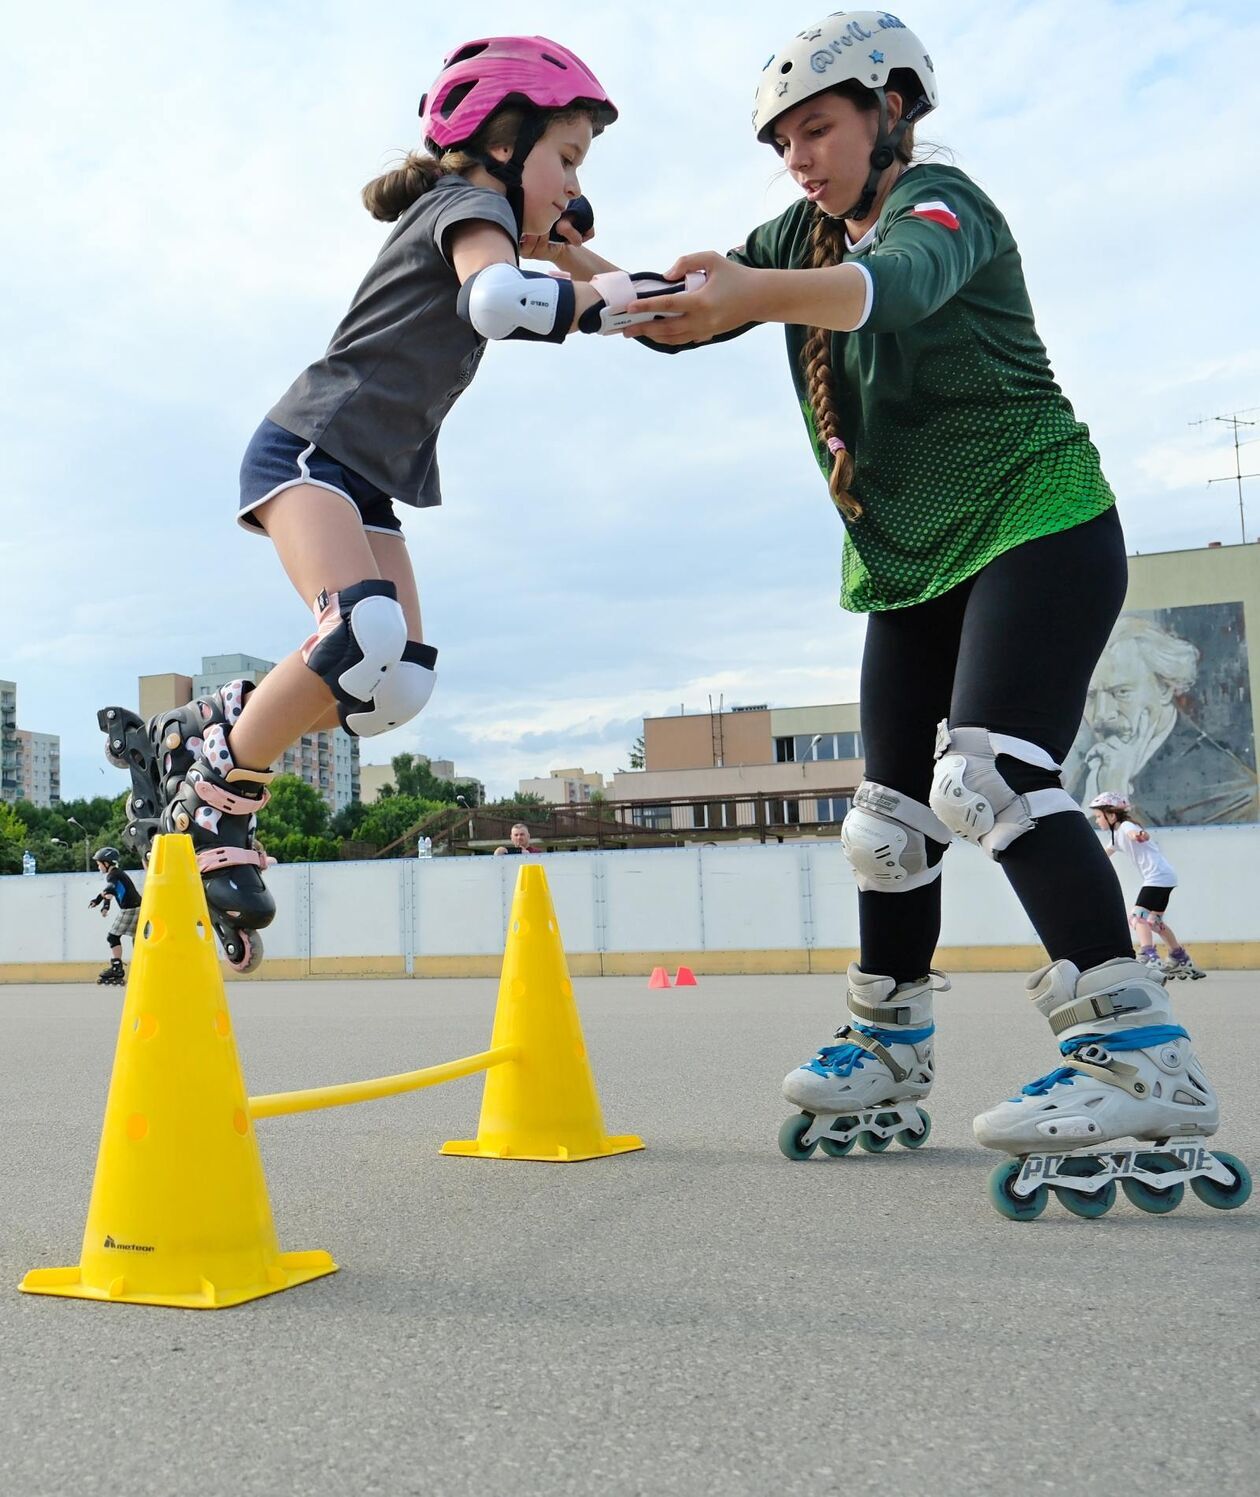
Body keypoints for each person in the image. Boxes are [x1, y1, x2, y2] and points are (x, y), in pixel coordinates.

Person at [552, 11, 1226, 1182]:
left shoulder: (945, 204)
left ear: (892, 110)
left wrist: (753, 286)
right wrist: (561, 255)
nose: (800, 158)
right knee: (886, 824)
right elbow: (676, 310)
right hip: (908, 563)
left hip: (1036, 519)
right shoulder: (800, 230)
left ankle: (1139, 1051)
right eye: (782, 143)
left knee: (989, 774)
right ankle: (890, 1038)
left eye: (819, 128)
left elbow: (888, 292)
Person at [108, 36, 683, 972]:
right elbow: (498, 301)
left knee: (397, 684)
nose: (574, 186)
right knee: (362, 629)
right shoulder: (465, 207)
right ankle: (221, 790)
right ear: (503, 140)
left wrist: (665, 296)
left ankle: (218, 722)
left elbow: (592, 284)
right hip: (307, 450)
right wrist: (606, 299)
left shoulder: (501, 214)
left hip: (367, 480)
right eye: (567, 159)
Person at [1073, 616, 1259, 824]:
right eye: (1090, 696)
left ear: (1164, 688)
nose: (1102, 714)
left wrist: (1113, 797)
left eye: (1121, 692)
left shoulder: (1231, 788)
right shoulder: (1091, 766)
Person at [1091, 792, 1204, 980]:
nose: (1096, 821)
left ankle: (1149, 955)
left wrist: (1138, 835)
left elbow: (1133, 833)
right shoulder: (1115, 836)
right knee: (1154, 922)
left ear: (1111, 816)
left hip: (1157, 877)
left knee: (1137, 918)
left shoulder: (1126, 826)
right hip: (1164, 877)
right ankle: (1180, 958)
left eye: (1098, 816)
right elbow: (1102, 856)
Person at [88, 847, 141, 986]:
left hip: (130, 909)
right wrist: (100, 902)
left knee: (112, 936)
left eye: (99, 863)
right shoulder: (117, 874)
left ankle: (117, 968)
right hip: (137, 907)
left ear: (106, 863)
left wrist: (103, 904)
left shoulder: (113, 875)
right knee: (138, 939)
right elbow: (109, 891)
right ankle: (141, 966)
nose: (98, 866)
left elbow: (110, 889)